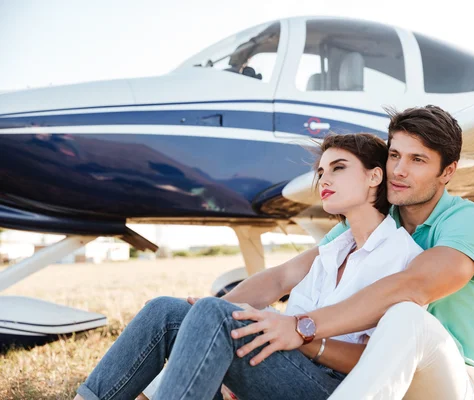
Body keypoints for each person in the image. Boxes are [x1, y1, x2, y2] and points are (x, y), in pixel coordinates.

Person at [74, 133, 424, 400]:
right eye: (321, 171)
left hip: (334, 386)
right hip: (289, 363)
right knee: (166, 311)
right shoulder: (334, 250)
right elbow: (277, 280)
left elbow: (382, 361)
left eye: (338, 168)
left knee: (214, 313)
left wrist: (298, 336)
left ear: (375, 177)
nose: (324, 180)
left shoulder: (399, 256)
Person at [200, 105, 474, 400]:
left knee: (406, 314)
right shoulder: (371, 220)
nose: (399, 170)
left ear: (447, 172)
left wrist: (303, 328)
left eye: (417, 159)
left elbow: (413, 286)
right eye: (394, 155)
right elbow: (283, 277)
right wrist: (206, 316)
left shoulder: (466, 220)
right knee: (240, 323)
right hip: (371, 381)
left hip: (445, 380)